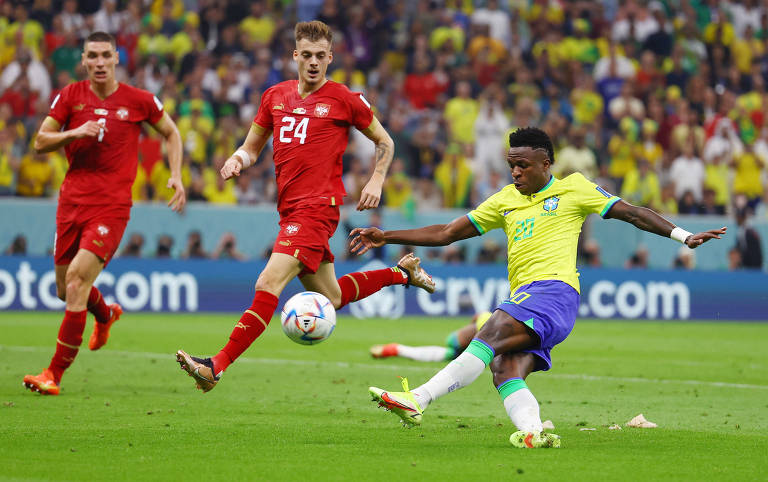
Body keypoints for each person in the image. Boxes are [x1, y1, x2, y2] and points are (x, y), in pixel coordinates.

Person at [350, 127, 725, 448]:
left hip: (554, 293)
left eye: (523, 165)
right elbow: (447, 232)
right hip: (529, 298)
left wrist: (683, 235)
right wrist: (388, 235)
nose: (515, 171)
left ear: (547, 164)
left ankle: (417, 398)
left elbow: (632, 212)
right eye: (511, 164)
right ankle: (533, 432)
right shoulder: (504, 201)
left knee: (487, 335)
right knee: (504, 367)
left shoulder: (574, 189)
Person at [175, 21, 435, 392]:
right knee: (332, 296)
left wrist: (376, 179)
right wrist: (237, 159)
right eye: (307, 55)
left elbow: (385, 142)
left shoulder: (344, 99)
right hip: (290, 211)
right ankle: (402, 273)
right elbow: (251, 147)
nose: (313, 62)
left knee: (268, 282)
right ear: (295, 56)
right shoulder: (274, 97)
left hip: (317, 209)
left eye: (320, 56)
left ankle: (216, 365)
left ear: (330, 58)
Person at [23, 32, 186, 396]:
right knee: (65, 289)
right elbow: (39, 142)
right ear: (83, 59)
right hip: (71, 203)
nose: (99, 62)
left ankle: (54, 373)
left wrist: (175, 175)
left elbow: (172, 133)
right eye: (92, 56)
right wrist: (76, 131)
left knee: (79, 280)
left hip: (111, 206)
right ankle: (106, 314)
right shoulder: (69, 97)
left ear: (116, 59)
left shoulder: (139, 100)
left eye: (105, 55)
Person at [371, 312, 492, 362]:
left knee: (447, 355)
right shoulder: (490, 321)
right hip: (459, 344)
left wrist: (469, 327)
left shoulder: (491, 316)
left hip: (459, 342)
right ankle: (395, 349)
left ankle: (394, 349)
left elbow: (478, 315)